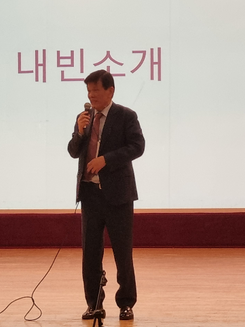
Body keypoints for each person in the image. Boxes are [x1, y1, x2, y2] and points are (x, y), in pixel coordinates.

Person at [67, 69, 145, 321]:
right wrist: (79, 133)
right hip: (90, 195)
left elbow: (137, 147)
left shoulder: (126, 116)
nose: (91, 95)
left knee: (122, 253)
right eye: (88, 91)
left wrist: (106, 160)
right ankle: (94, 303)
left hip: (118, 195)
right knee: (90, 254)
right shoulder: (84, 118)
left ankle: (126, 303)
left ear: (110, 91)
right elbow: (73, 151)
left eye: (96, 90)